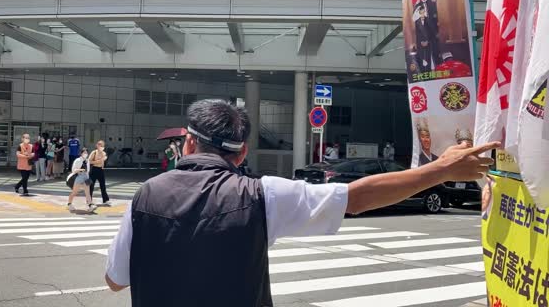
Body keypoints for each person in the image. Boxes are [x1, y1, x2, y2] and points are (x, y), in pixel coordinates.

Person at [104, 99, 499, 306]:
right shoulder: (262, 195)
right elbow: (357, 197)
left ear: (188, 143)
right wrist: (442, 170)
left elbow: (116, 280)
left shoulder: (144, 196)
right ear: (241, 155)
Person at [67, 147, 97, 213]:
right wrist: (81, 170)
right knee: (74, 192)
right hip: (78, 177)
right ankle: (69, 204)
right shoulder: (77, 160)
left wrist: (88, 178)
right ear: (81, 153)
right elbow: (73, 170)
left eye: (86, 153)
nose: (86, 154)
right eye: (84, 152)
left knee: (87, 193)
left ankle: (90, 205)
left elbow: (88, 170)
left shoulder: (87, 161)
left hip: (86, 177)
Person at [89, 140, 110, 206]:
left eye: (102, 145)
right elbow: (89, 161)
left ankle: (105, 199)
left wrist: (102, 163)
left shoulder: (104, 153)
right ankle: (89, 200)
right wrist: (97, 161)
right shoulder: (94, 152)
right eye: (100, 145)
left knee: (103, 185)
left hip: (100, 170)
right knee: (91, 185)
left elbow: (103, 161)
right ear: (97, 145)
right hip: (94, 169)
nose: (101, 146)